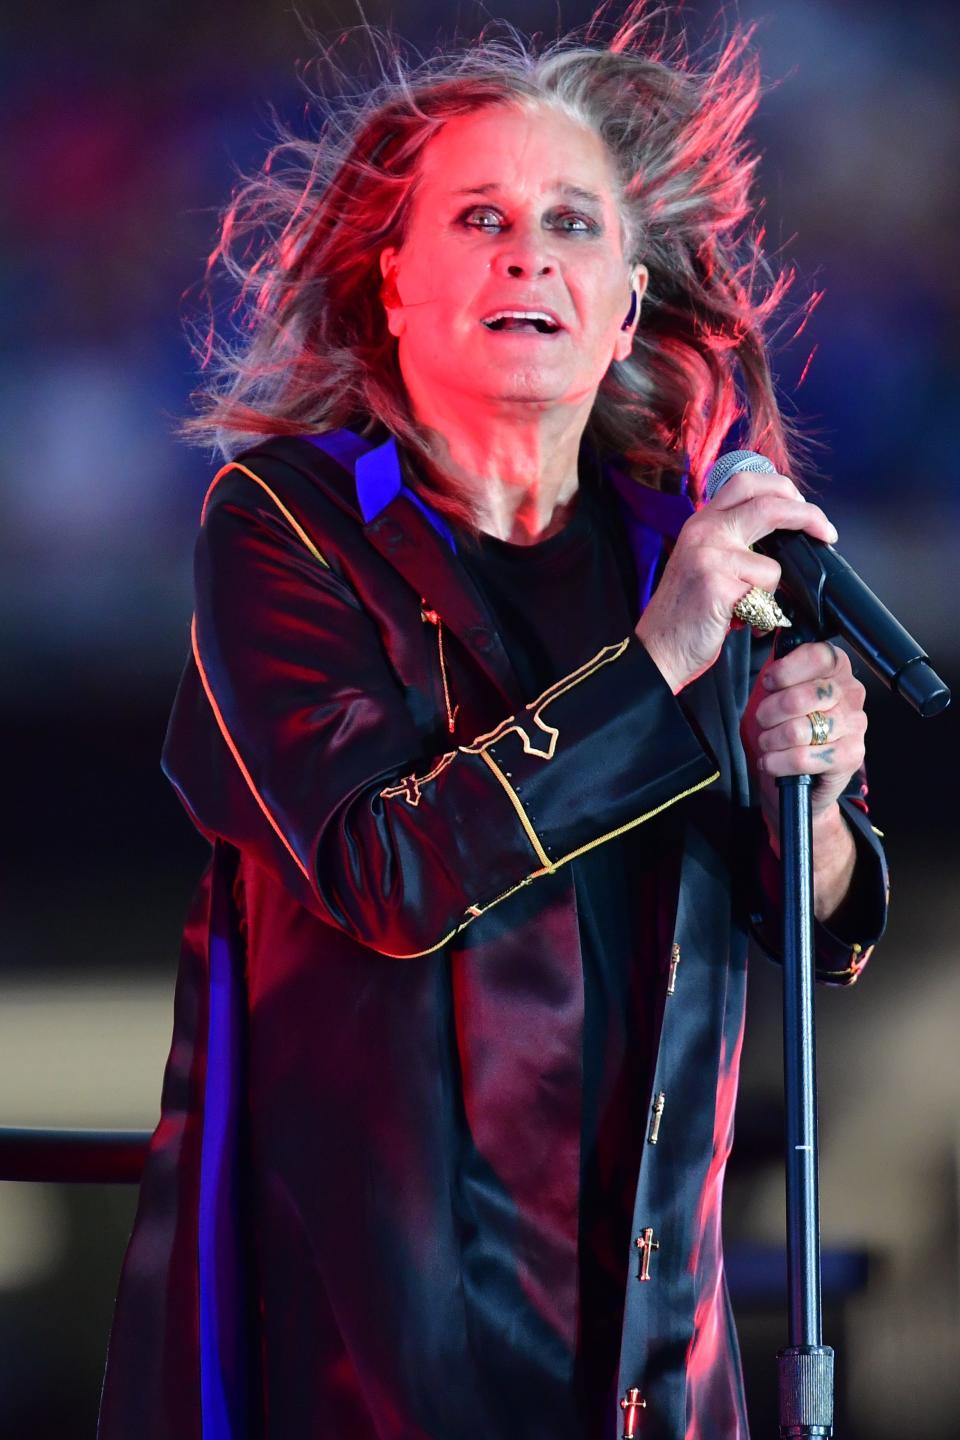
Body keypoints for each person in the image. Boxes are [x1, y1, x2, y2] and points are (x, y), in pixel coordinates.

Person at [97, 10, 888, 1439]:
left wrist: (816, 804)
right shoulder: (287, 526)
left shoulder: (683, 557)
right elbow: (387, 875)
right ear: (391, 282)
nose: (532, 252)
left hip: (657, 1353)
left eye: (574, 223)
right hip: (373, 1350)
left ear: (628, 308)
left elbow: (818, 925)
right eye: (481, 217)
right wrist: (656, 670)